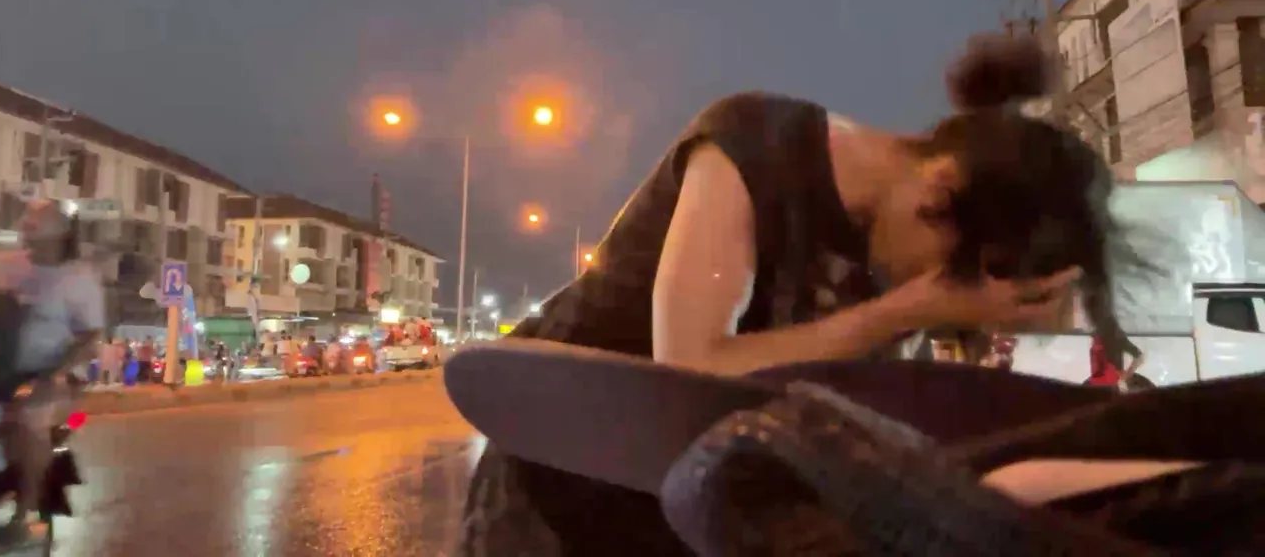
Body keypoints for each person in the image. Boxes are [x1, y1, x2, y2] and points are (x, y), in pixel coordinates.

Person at [455, 33, 1148, 556]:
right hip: (555, 478)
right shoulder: (755, 144)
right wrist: (911, 309)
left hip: (696, 510)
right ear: (938, 193)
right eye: (941, 277)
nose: (926, 293)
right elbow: (688, 368)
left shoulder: (904, 267)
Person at [0, 199, 103, 544]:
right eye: (27, 218)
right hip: (0, 371)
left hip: (55, 376)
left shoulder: (79, 280)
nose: (27, 223)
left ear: (61, 231)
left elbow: (89, 338)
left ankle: (23, 515)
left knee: (29, 416)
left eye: (37, 219)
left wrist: (53, 376)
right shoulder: (3, 265)